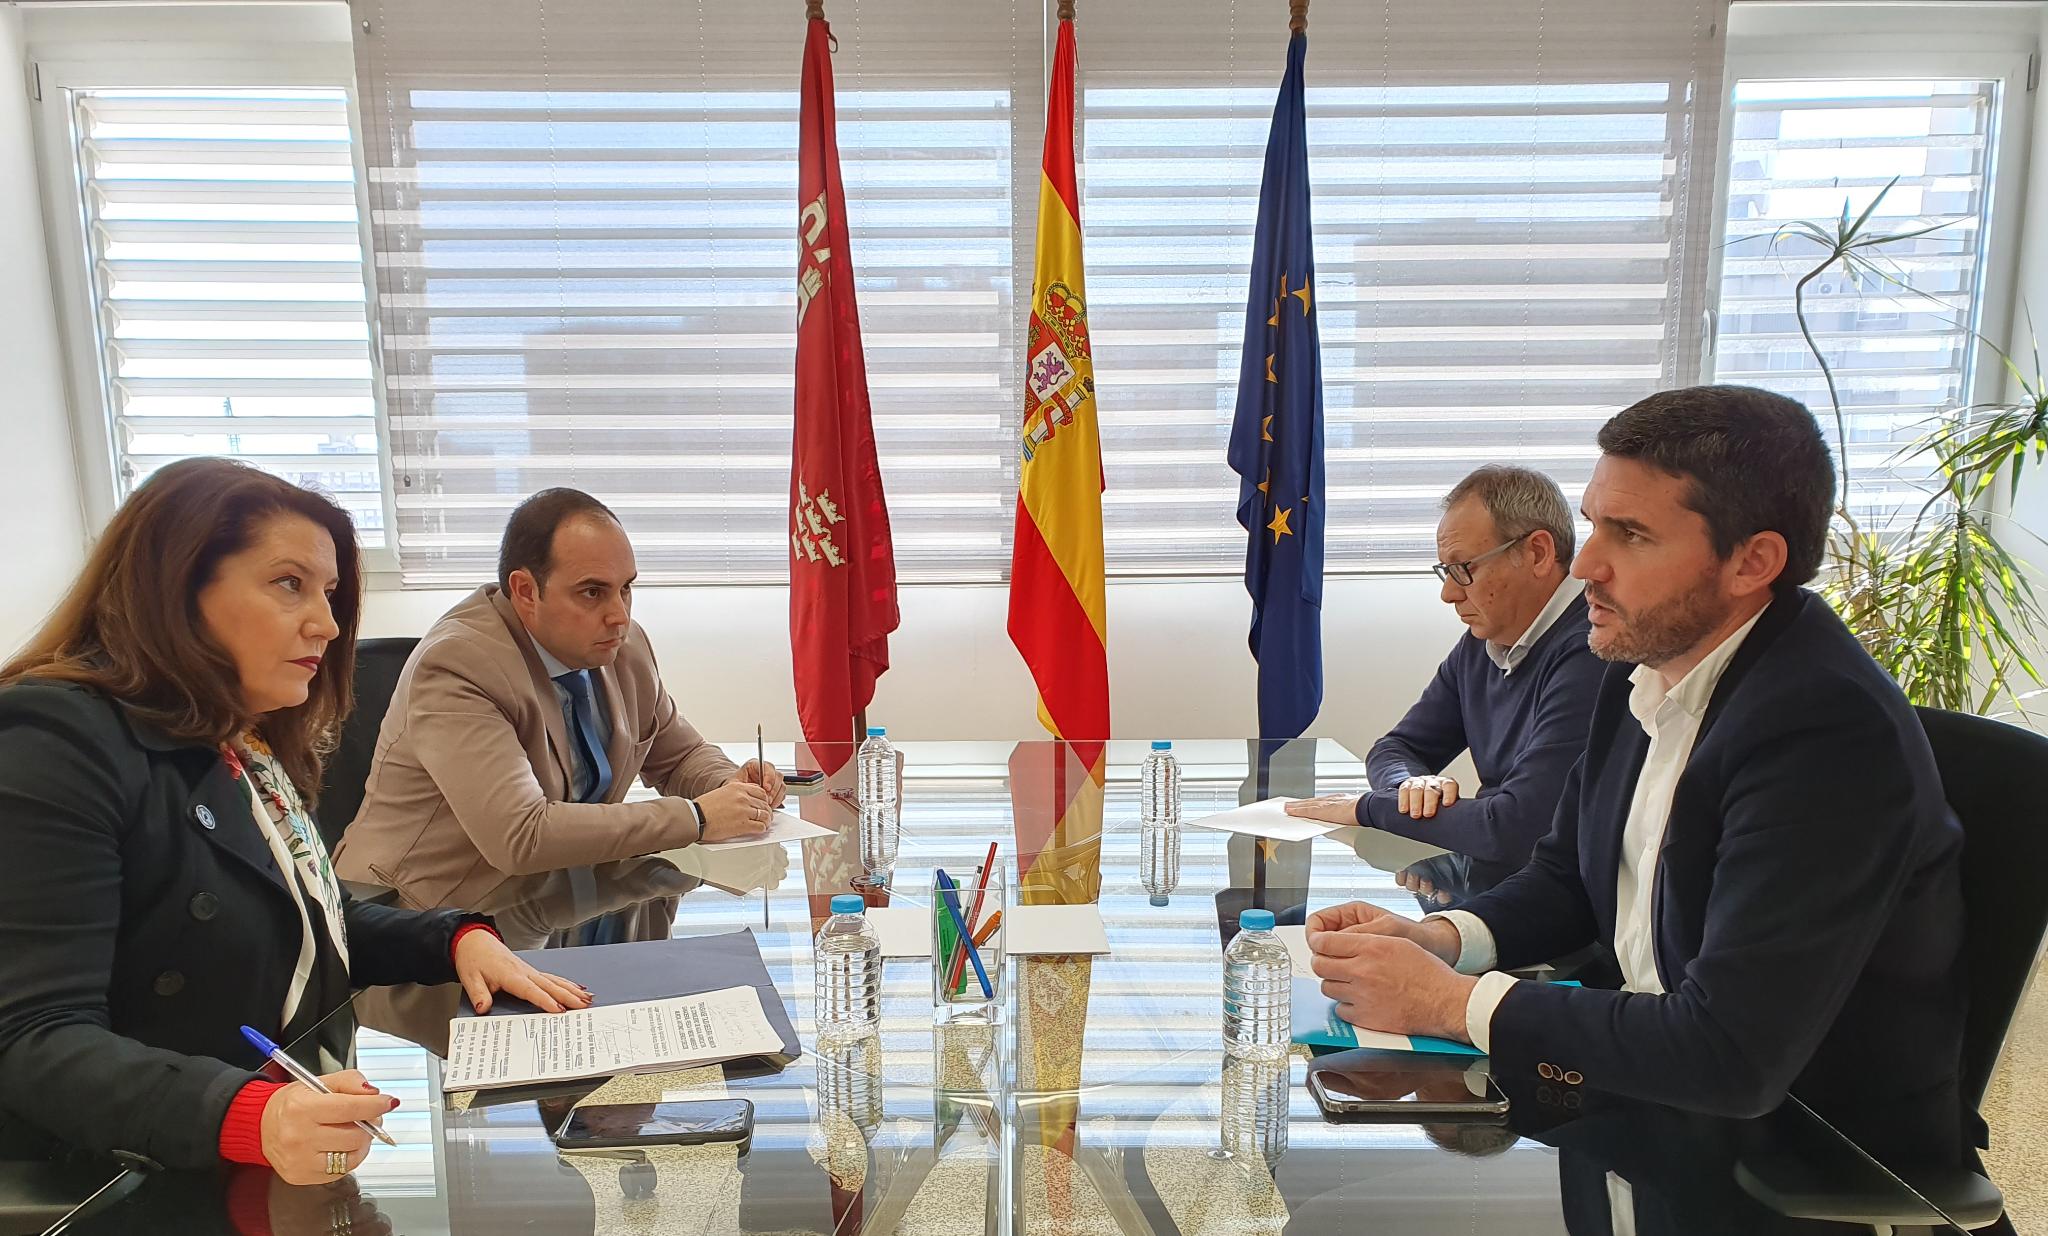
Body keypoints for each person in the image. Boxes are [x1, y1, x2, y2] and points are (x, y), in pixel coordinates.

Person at [1303, 386, 1967, 1165]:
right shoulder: (1645, 664)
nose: (1585, 564)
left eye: (1631, 534)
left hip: (1792, 1150)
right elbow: (1568, 876)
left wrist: (1451, 1003)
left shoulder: (1822, 732)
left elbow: (1731, 1055)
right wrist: (1440, 938)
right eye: (1593, 524)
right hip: (1642, 1091)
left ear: (1753, 562)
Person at [0, 458, 588, 1186]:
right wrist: (245, 1115)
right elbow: (33, 1038)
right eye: (289, 585)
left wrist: (452, 938)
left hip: (286, 1147)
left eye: (330, 591)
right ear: (176, 588)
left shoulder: (236, 738)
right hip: (127, 1177)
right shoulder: (55, 741)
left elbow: (298, 914)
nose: (328, 622)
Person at [332, 488, 782, 917]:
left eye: (625, 588)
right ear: (526, 591)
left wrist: (732, 788)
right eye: (592, 592)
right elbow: (522, 835)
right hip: (422, 921)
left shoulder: (623, 647)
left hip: (561, 904)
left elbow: (679, 754)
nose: (619, 615)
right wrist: (699, 817)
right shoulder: (458, 665)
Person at [1286, 465, 1603, 895]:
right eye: (1447, 572)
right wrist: (1411, 789)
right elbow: (1398, 747)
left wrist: (1368, 808)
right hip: (1498, 886)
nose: (1449, 594)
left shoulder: (1593, 648)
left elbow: (1516, 828)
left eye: (1463, 569)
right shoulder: (1484, 640)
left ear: (1538, 553)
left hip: (1565, 907)